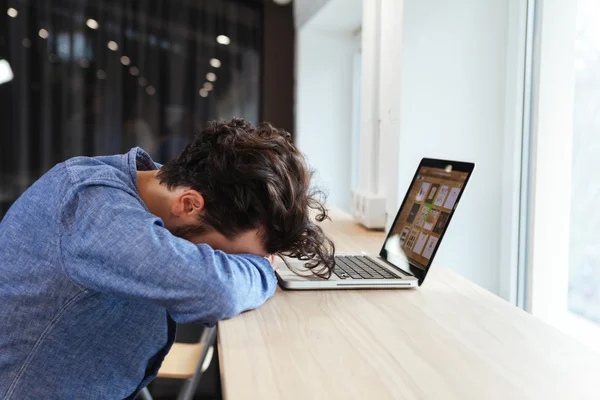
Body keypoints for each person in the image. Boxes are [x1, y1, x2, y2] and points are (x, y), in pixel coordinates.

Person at [0, 118, 335, 399]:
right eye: (229, 256)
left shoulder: (164, 188)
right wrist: (262, 270)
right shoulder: (92, 208)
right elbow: (214, 290)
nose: (226, 263)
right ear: (188, 205)